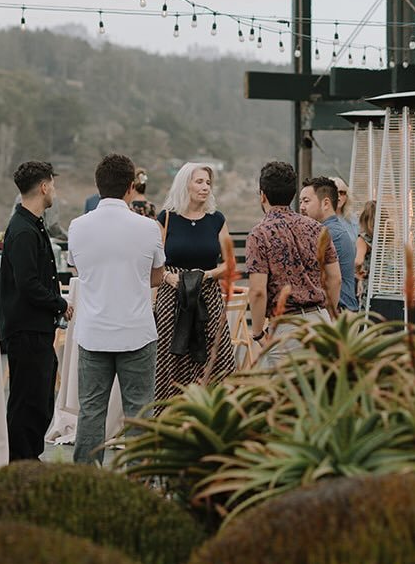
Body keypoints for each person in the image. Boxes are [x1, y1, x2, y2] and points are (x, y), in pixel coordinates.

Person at [67, 153, 166, 464]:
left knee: (91, 412)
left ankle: (85, 482)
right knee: (139, 413)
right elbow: (157, 277)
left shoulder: (77, 226)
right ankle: (140, 482)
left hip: (94, 332)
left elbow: (79, 270)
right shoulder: (148, 228)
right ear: (130, 187)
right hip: (136, 330)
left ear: (98, 187)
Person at [0, 160, 71, 460]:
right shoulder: (24, 231)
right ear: (43, 187)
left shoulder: (30, 224)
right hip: (27, 328)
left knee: (38, 395)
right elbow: (28, 284)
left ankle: (28, 456)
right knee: (29, 399)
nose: (54, 189)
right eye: (52, 184)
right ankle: (20, 460)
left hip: (35, 327)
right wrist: (61, 303)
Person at [154, 162, 236, 400]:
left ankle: (214, 411)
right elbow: (154, 261)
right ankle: (168, 414)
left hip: (207, 297)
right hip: (172, 297)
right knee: (170, 357)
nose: (205, 187)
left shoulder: (216, 220)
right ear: (185, 184)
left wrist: (207, 275)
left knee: (215, 354)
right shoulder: (166, 217)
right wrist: (169, 277)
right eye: (199, 181)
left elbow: (230, 264)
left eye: (208, 183)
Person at [247, 160, 340, 368]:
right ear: (293, 195)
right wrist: (330, 315)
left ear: (262, 195)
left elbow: (257, 291)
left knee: (279, 395)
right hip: (320, 321)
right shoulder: (317, 228)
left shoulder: (259, 234)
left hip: (285, 329)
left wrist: (257, 332)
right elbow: (335, 278)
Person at [299, 176, 358, 310]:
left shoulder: (330, 234)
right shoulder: (331, 230)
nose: (302, 207)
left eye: (306, 201)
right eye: (301, 201)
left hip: (338, 312)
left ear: (326, 203)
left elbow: (333, 279)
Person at [354, 200, 376, 303]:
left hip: (369, 284)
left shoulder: (363, 239)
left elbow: (358, 261)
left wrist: (358, 274)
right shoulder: (387, 238)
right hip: (384, 284)